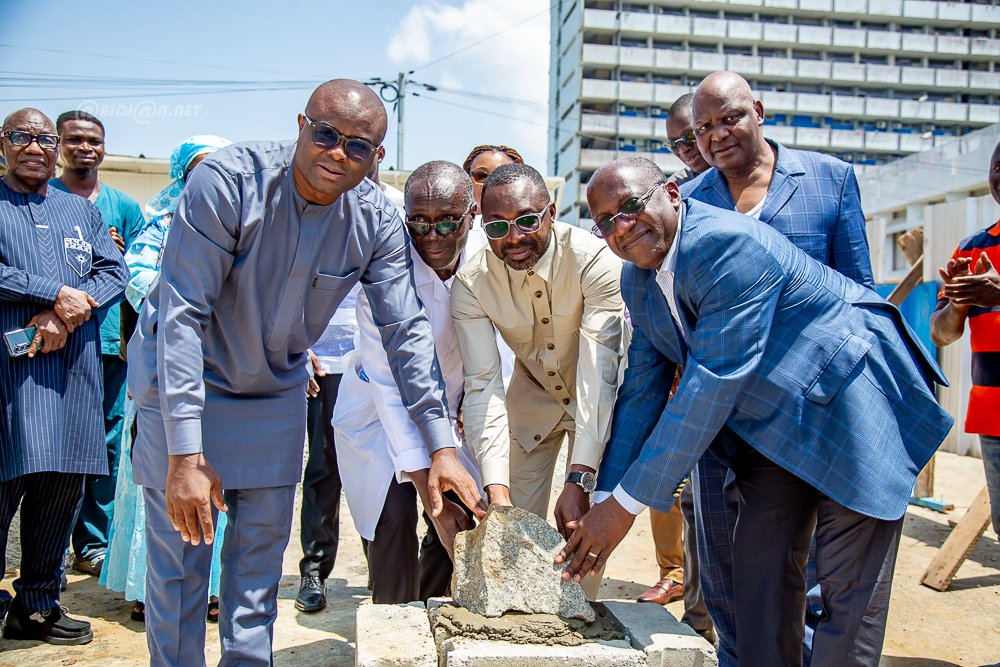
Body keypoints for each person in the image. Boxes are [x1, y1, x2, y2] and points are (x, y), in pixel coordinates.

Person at [127, 79, 485, 665]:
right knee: (181, 573)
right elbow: (182, 316)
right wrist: (185, 454)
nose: (338, 153)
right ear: (301, 126)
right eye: (325, 135)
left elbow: (405, 333)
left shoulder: (375, 219)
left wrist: (442, 446)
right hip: (185, 385)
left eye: (358, 146)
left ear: (376, 155)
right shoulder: (227, 183)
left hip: (274, 393)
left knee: (256, 577)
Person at [562, 157, 952, 667]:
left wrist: (623, 508)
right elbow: (641, 392)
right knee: (760, 578)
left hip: (855, 402)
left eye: (631, 206)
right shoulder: (638, 279)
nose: (622, 226)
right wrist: (603, 497)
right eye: (605, 221)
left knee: (845, 594)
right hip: (775, 423)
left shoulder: (726, 244)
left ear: (673, 194)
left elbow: (711, 382)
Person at [681, 70, 877, 665]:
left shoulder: (829, 179)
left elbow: (861, 295)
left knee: (813, 567)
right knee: (724, 560)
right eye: (704, 127)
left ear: (759, 111)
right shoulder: (688, 202)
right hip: (722, 417)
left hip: (816, 412)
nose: (717, 135)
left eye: (730, 118)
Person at [451, 162, 629, 598]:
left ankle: (579, 620)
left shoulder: (595, 260)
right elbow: (483, 384)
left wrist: (580, 479)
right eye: (497, 226)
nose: (513, 238)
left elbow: (598, 372)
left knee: (584, 533)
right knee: (511, 536)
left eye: (527, 221)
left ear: (550, 212)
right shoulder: (471, 284)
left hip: (601, 403)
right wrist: (497, 490)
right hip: (531, 403)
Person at [335, 160, 509, 603]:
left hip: (456, 410)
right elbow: (390, 386)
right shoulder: (386, 272)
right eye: (419, 222)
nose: (432, 237)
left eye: (448, 221)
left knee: (462, 518)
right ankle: (392, 624)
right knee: (394, 518)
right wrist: (428, 485)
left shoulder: (493, 262)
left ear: (472, 214)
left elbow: (503, 351)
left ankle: (436, 611)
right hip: (380, 416)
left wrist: (471, 406)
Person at [0, 108, 128, 644]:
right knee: (4, 485)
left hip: (74, 376)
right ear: (3, 143)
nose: (34, 147)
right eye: (21, 137)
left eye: (43, 139)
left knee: (60, 492)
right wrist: (50, 292)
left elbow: (114, 271)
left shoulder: (80, 211)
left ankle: (37, 606)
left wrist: (68, 313)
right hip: (11, 379)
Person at [102, 135, 233, 624]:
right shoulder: (160, 224)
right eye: (200, 169)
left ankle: (211, 589)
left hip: (220, 375)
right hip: (161, 372)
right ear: (183, 175)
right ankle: (150, 588)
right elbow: (136, 282)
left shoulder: (239, 225)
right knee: (164, 482)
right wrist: (187, 293)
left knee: (213, 478)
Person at [295, 148, 404, 614]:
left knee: (381, 469)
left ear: (378, 153)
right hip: (326, 361)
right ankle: (315, 571)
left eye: (363, 146)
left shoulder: (397, 206)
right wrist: (299, 345)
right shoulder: (316, 202)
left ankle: (380, 569)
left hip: (383, 365)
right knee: (324, 469)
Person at [49, 110, 146, 577]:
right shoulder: (42, 200)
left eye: (94, 141)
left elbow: (142, 275)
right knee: (55, 448)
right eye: (74, 140)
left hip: (111, 343)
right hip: (57, 343)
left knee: (108, 445)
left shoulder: (124, 207)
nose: (85, 148)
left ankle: (94, 544)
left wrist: (119, 255)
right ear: (58, 146)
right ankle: (48, 553)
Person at [637, 92, 714, 644]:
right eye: (678, 142)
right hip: (680, 377)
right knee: (683, 493)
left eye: (695, 134)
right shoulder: (671, 202)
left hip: (743, 382)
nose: (690, 148)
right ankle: (688, 596)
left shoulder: (744, 204)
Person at [930, 137, 1000, 534]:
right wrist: (958, 303)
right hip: (993, 414)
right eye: (996, 168)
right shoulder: (973, 249)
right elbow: (941, 335)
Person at [462, 144, 523, 217]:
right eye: (482, 176)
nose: (491, 182)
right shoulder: (454, 223)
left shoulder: (532, 222)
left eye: (503, 177)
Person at [665, 94, 710, 186]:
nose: (682, 150)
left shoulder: (738, 169)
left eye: (690, 135)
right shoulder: (678, 187)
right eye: (673, 143)